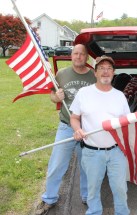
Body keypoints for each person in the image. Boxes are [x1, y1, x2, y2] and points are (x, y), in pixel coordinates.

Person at [36, 44, 96, 215]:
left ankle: (86, 196)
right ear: (71, 55)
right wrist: (56, 97)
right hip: (65, 126)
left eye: (82, 54)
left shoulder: (93, 76)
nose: (78, 57)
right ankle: (49, 198)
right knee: (57, 164)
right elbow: (51, 95)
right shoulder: (61, 74)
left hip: (87, 129)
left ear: (87, 57)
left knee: (87, 166)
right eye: (75, 53)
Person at [70, 55, 130, 215]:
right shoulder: (83, 93)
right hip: (91, 152)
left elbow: (127, 123)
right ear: (95, 72)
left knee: (120, 189)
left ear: (114, 72)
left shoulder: (120, 96)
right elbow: (74, 118)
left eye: (109, 68)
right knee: (93, 190)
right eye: (101, 68)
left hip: (117, 151)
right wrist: (77, 129)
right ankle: (94, 212)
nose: (105, 72)